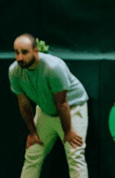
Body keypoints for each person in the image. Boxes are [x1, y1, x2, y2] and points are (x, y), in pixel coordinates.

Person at [8, 34, 89, 178]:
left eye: (24, 52)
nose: (20, 58)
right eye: (16, 52)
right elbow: (24, 104)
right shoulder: (14, 71)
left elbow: (62, 104)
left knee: (75, 155)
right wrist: (32, 133)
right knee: (33, 153)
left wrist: (68, 131)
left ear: (35, 50)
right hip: (46, 111)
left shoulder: (54, 68)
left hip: (72, 108)